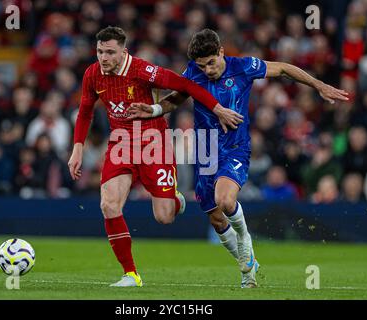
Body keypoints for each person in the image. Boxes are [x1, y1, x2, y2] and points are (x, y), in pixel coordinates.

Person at [129, 29, 349, 288]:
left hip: (235, 147)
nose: (208, 70)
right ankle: (248, 268)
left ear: (222, 52)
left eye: (211, 62)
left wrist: (318, 85)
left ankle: (245, 241)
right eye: (202, 65)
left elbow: (284, 69)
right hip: (205, 151)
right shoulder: (192, 72)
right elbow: (176, 99)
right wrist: (154, 109)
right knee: (216, 218)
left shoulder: (244, 67)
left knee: (225, 199)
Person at [67, 26, 241, 287]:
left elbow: (186, 85)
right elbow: (84, 112)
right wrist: (77, 148)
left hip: (153, 144)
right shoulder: (92, 74)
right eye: (100, 51)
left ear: (123, 52)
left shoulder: (142, 71)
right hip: (121, 143)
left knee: (164, 217)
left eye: (110, 52)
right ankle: (131, 274)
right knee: (109, 205)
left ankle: (176, 201)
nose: (103, 57)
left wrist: (218, 109)